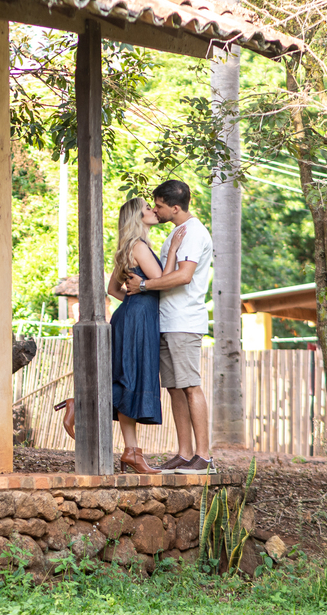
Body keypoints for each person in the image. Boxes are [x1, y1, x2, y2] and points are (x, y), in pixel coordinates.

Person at [123, 180, 215, 474]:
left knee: (190, 386)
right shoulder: (175, 233)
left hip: (184, 321)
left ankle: (203, 456)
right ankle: (185, 454)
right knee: (175, 388)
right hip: (167, 320)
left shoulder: (193, 232)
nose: (156, 210)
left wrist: (144, 286)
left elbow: (183, 276)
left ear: (175, 208)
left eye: (159, 206)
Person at [106, 197, 181, 474]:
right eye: (147, 208)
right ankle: (78, 405)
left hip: (132, 315)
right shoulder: (138, 246)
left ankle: (132, 452)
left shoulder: (129, 246)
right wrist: (173, 251)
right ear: (137, 218)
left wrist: (133, 298)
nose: (152, 211)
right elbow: (161, 281)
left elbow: (113, 290)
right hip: (138, 320)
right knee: (131, 378)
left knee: (129, 378)